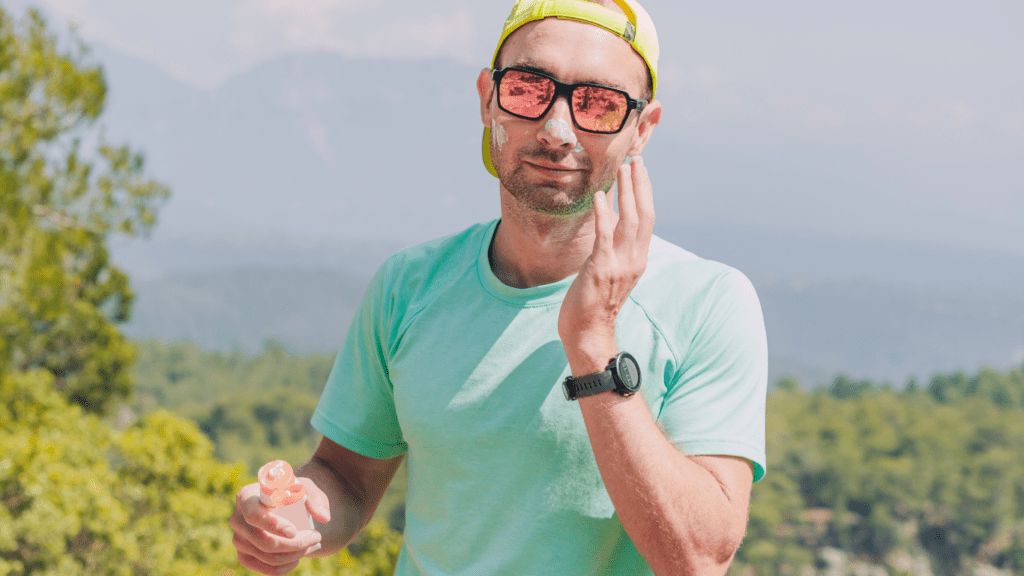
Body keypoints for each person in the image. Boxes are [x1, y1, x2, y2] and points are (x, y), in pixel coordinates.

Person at [229, 0, 768, 574]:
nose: (557, 130)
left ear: (642, 128)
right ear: (488, 98)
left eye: (598, 104)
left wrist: (593, 341)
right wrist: (289, 514)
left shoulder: (709, 303)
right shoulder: (408, 287)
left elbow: (699, 558)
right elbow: (346, 476)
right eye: (530, 89)